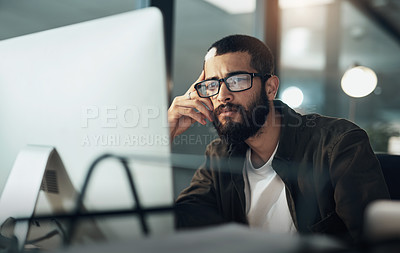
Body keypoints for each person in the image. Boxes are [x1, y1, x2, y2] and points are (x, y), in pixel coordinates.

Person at [168, 34, 390, 243]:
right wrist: (165, 133)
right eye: (212, 84)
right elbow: (174, 225)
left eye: (236, 80)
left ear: (271, 88)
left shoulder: (338, 144)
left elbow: (375, 243)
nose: (222, 95)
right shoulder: (219, 155)